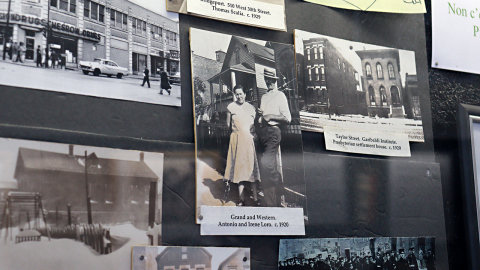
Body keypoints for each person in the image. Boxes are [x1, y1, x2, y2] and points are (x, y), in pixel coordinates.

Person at [257, 68, 291, 207]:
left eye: (271, 80)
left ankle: (279, 184)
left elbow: (287, 118)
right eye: (266, 79)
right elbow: (262, 116)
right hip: (262, 132)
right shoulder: (264, 97)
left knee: (266, 163)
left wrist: (270, 116)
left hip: (273, 132)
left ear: (275, 80)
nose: (268, 82)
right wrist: (260, 114)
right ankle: (270, 203)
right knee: (263, 167)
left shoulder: (280, 95)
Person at [224, 85, 261, 206]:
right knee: (239, 169)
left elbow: (253, 126)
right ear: (234, 95)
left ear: (245, 94)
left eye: (241, 93)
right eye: (237, 94)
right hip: (237, 139)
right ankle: (241, 199)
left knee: (251, 168)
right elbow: (227, 125)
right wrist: (235, 136)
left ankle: (255, 199)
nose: (239, 96)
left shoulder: (251, 108)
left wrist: (252, 134)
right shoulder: (231, 107)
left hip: (248, 140)